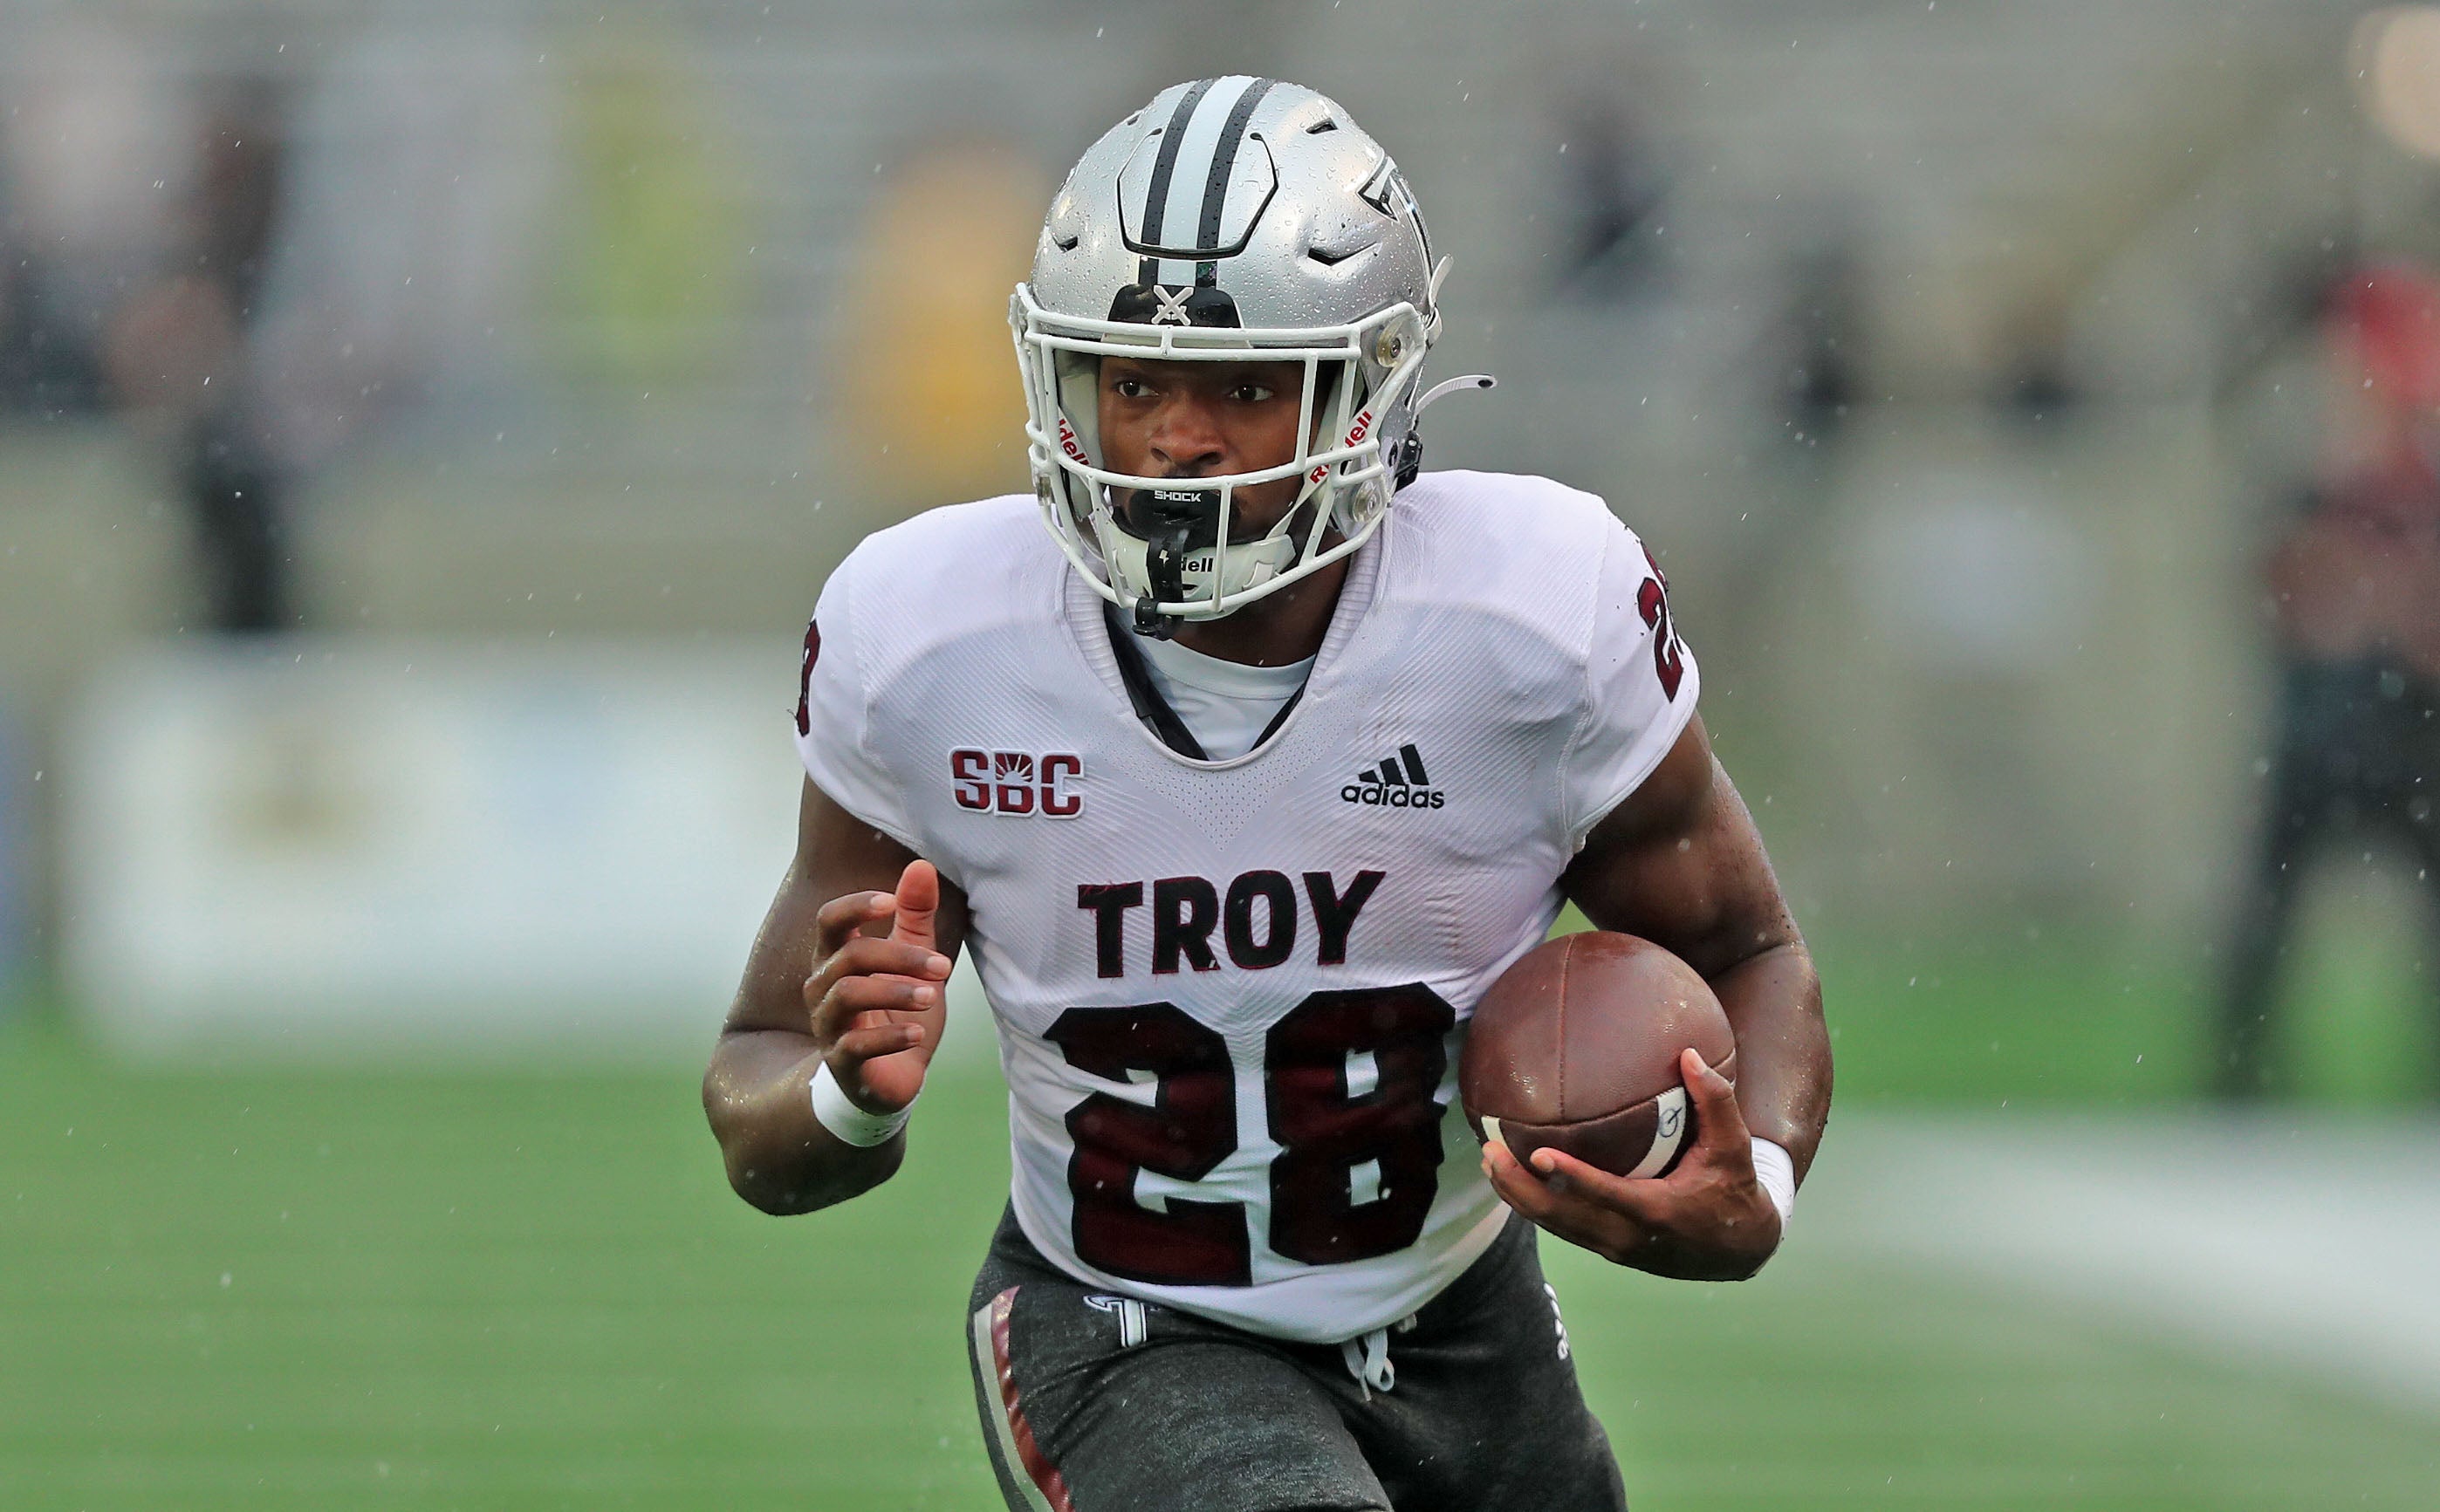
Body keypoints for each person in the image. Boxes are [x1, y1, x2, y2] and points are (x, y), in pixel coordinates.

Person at [704, 78, 1830, 1511]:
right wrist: (851, 1094)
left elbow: (1748, 951)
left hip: (1461, 1322)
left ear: (1369, 384)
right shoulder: (929, 637)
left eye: (1241, 386)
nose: (1174, 439)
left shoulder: (1534, 615)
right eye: (1132, 380)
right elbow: (755, 1087)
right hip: (1122, 1325)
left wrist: (1761, 1182)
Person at [2216, 260, 2440, 1099]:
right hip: (2324, 726)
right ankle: (2239, 1078)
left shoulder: (2408, 480)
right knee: (2266, 917)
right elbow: (2286, 590)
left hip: (2409, 729)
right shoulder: (2312, 471)